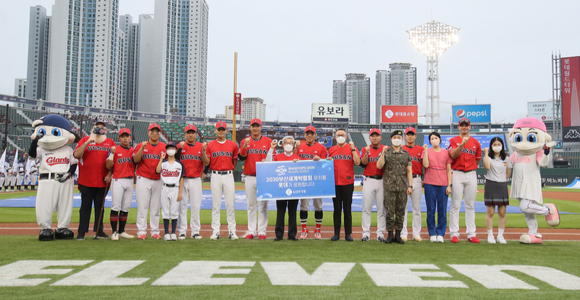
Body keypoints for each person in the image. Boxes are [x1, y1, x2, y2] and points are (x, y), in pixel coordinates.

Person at [73, 120, 115, 240]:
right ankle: (81, 232)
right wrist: (86, 143)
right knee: (85, 207)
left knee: (100, 207)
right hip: (87, 180)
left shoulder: (110, 142)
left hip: (103, 181)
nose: (99, 129)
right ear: (93, 129)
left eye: (102, 128)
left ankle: (98, 231)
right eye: (97, 127)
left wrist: (109, 174)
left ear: (105, 130)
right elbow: (76, 155)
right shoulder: (85, 140)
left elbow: (113, 161)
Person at [203, 121, 239, 240]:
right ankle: (216, 231)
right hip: (215, 175)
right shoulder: (210, 145)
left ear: (226, 130)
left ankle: (232, 231)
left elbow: (234, 161)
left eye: (223, 129)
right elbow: (207, 162)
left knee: (230, 204)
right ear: (215, 130)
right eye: (219, 129)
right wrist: (203, 151)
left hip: (228, 174)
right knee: (216, 205)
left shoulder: (232, 145)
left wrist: (230, 173)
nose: (221, 131)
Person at [448, 118, 482, 244]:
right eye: (461, 125)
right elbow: (453, 155)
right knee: (455, 205)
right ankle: (454, 233)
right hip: (457, 173)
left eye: (466, 125)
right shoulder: (453, 141)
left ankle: (471, 234)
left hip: (471, 173)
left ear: (470, 127)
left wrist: (472, 168)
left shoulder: (475, 142)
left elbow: (477, 160)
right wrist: (462, 144)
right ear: (458, 127)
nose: (464, 127)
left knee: (470, 205)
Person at [377, 130, 413, 244]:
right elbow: (379, 166)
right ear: (391, 139)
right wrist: (383, 153)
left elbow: (409, 171)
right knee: (389, 212)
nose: (397, 139)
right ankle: (390, 235)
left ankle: (398, 235)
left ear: (402, 139)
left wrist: (410, 185)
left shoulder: (406, 154)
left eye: (399, 137)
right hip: (389, 188)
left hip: (402, 187)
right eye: (395, 137)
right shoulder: (386, 152)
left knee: (400, 212)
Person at [239, 118, 272, 240]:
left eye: (257, 126)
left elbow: (271, 158)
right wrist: (245, 146)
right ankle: (251, 231)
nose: (255, 128)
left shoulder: (268, 141)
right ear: (250, 128)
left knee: (263, 206)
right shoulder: (245, 141)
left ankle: (262, 231)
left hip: (263, 176)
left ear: (261, 127)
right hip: (249, 176)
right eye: (253, 126)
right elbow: (241, 157)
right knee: (251, 205)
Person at [133, 123, 167, 240]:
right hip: (143, 178)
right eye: (152, 131)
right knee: (142, 206)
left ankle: (155, 231)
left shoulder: (164, 147)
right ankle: (141, 231)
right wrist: (142, 148)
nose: (155, 134)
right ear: (148, 133)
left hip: (158, 180)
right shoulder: (141, 145)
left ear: (159, 133)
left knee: (155, 207)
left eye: (157, 132)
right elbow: (135, 160)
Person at [327, 129, 360, 241]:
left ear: (346, 137)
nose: (340, 136)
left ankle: (348, 233)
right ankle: (336, 233)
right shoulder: (332, 150)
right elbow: (327, 164)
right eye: (338, 135)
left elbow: (357, 162)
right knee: (336, 209)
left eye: (342, 135)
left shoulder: (351, 148)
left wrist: (353, 149)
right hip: (335, 182)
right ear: (335, 137)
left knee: (347, 209)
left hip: (348, 182)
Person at [295, 125, 327, 239]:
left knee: (318, 206)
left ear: (315, 135)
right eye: (307, 133)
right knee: (303, 206)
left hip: (317, 180)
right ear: (305, 135)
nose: (309, 135)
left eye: (311, 133)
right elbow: (294, 161)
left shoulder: (322, 148)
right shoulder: (300, 147)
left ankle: (318, 229)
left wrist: (320, 160)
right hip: (304, 180)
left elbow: (325, 165)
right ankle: (304, 229)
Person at [266, 136, 300, 241]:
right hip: (280, 188)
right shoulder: (277, 157)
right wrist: (271, 149)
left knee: (293, 211)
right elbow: (268, 163)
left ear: (293, 145)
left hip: (294, 189)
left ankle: (292, 234)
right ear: (283, 144)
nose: (288, 144)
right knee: (280, 211)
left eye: (290, 143)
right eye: (286, 143)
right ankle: (279, 234)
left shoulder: (297, 158)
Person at [176, 124, 205, 240]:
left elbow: (207, 160)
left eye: (193, 132)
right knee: (182, 207)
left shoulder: (200, 146)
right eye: (189, 133)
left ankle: (195, 231)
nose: (191, 134)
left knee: (195, 207)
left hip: (196, 180)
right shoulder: (180, 146)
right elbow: (175, 159)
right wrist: (179, 149)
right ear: (185, 134)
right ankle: (182, 231)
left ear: (196, 134)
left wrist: (205, 171)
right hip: (183, 179)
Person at [105, 128, 135, 240]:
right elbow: (108, 165)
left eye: (127, 136)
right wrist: (112, 154)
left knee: (126, 207)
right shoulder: (114, 149)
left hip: (130, 180)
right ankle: (114, 232)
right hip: (118, 180)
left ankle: (122, 231)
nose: (125, 138)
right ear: (119, 138)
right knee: (116, 206)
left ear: (130, 137)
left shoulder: (133, 150)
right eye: (123, 136)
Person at [422, 132, 453, 243]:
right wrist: (425, 151)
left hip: (443, 184)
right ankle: (431, 233)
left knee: (442, 210)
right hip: (430, 183)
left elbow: (449, 170)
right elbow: (425, 165)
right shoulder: (427, 151)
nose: (434, 140)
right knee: (430, 210)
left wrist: (449, 185)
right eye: (432, 138)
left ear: (440, 140)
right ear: (429, 141)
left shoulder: (446, 153)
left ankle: (440, 233)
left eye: (436, 138)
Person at [360, 128, 387, 242]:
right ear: (369, 137)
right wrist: (366, 153)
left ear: (380, 137)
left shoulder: (386, 149)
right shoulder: (365, 149)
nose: (375, 137)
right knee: (366, 208)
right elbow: (363, 163)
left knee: (382, 209)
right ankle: (366, 233)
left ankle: (380, 233)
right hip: (369, 179)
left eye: (377, 135)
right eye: (372, 135)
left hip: (382, 180)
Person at [483, 137, 512, 244]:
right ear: (491, 146)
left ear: (502, 145)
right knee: (490, 212)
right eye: (494, 144)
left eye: (498, 144)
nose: (497, 146)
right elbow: (487, 166)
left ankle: (500, 235)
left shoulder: (507, 159)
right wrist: (486, 153)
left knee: (502, 212)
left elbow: (508, 174)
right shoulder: (488, 158)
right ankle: (490, 235)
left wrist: (502, 179)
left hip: (502, 186)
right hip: (491, 184)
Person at [156, 142, 185, 241]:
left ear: (176, 150)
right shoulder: (163, 163)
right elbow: (157, 171)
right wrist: (161, 159)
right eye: (169, 148)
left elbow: (182, 178)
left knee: (174, 211)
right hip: (164, 187)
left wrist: (180, 192)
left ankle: (173, 232)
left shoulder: (179, 164)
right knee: (165, 211)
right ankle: (166, 233)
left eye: (172, 148)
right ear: (166, 150)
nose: (171, 150)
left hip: (175, 188)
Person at [402, 127, 424, 242]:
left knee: (416, 209)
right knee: (403, 208)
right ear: (405, 136)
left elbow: (425, 165)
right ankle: (403, 232)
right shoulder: (401, 149)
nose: (410, 136)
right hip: (404, 179)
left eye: (412, 134)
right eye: (408, 134)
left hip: (417, 178)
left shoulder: (421, 149)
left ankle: (416, 233)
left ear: (416, 136)